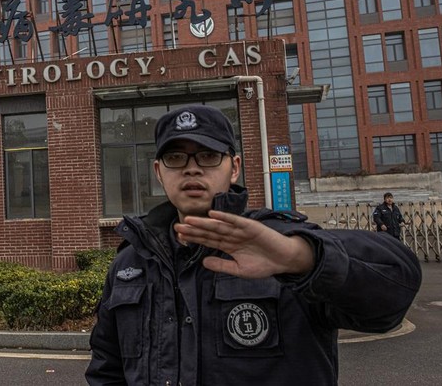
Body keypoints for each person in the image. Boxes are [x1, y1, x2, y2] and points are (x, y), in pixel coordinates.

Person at [86, 105, 422, 385]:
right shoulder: (132, 262)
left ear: (234, 168)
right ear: (159, 172)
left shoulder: (281, 244)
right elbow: (107, 369)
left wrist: (302, 259)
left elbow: (394, 293)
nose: (191, 168)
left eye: (207, 155)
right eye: (175, 158)